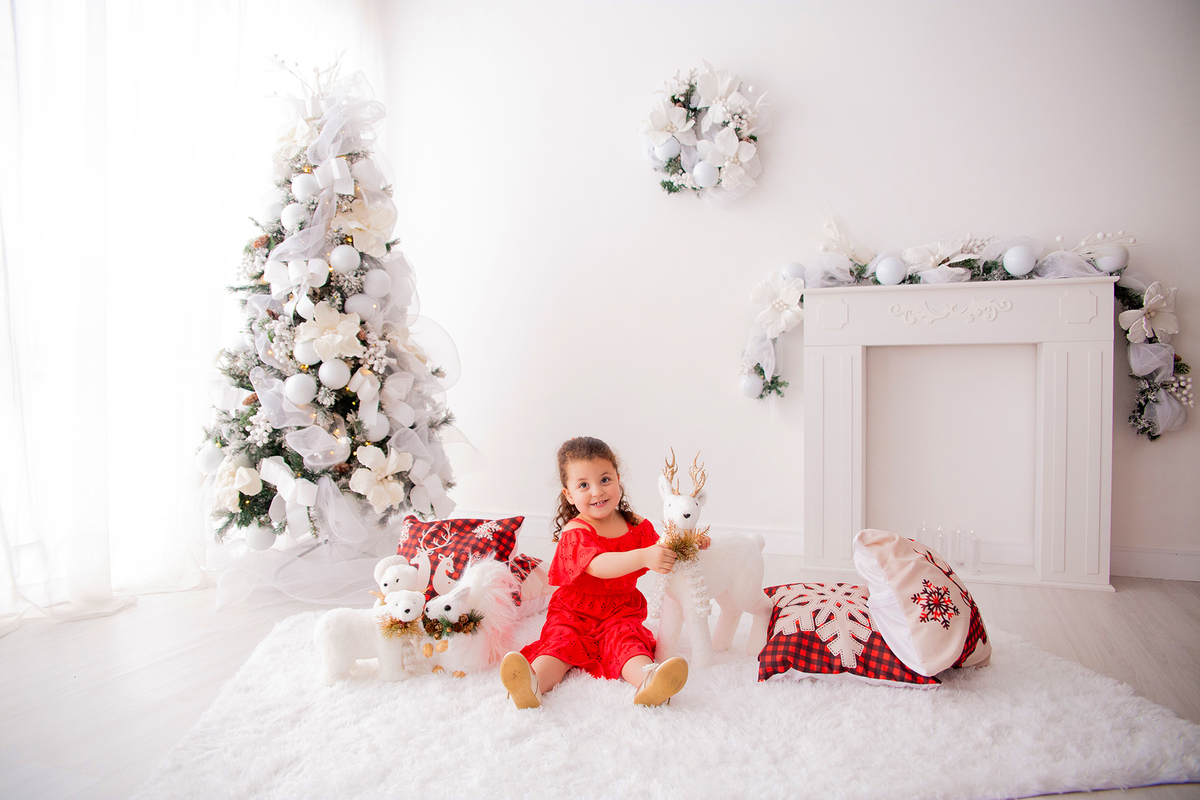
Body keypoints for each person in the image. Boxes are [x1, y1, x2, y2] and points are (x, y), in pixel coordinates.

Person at [500, 436, 709, 709]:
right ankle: (532, 682)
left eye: (605, 480)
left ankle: (650, 681)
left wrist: (688, 540)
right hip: (574, 613)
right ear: (569, 494)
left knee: (629, 644)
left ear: (618, 479)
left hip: (620, 611)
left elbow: (661, 546)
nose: (597, 491)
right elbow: (598, 565)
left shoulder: (633, 523)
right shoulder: (576, 530)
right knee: (559, 647)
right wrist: (644, 556)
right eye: (584, 485)